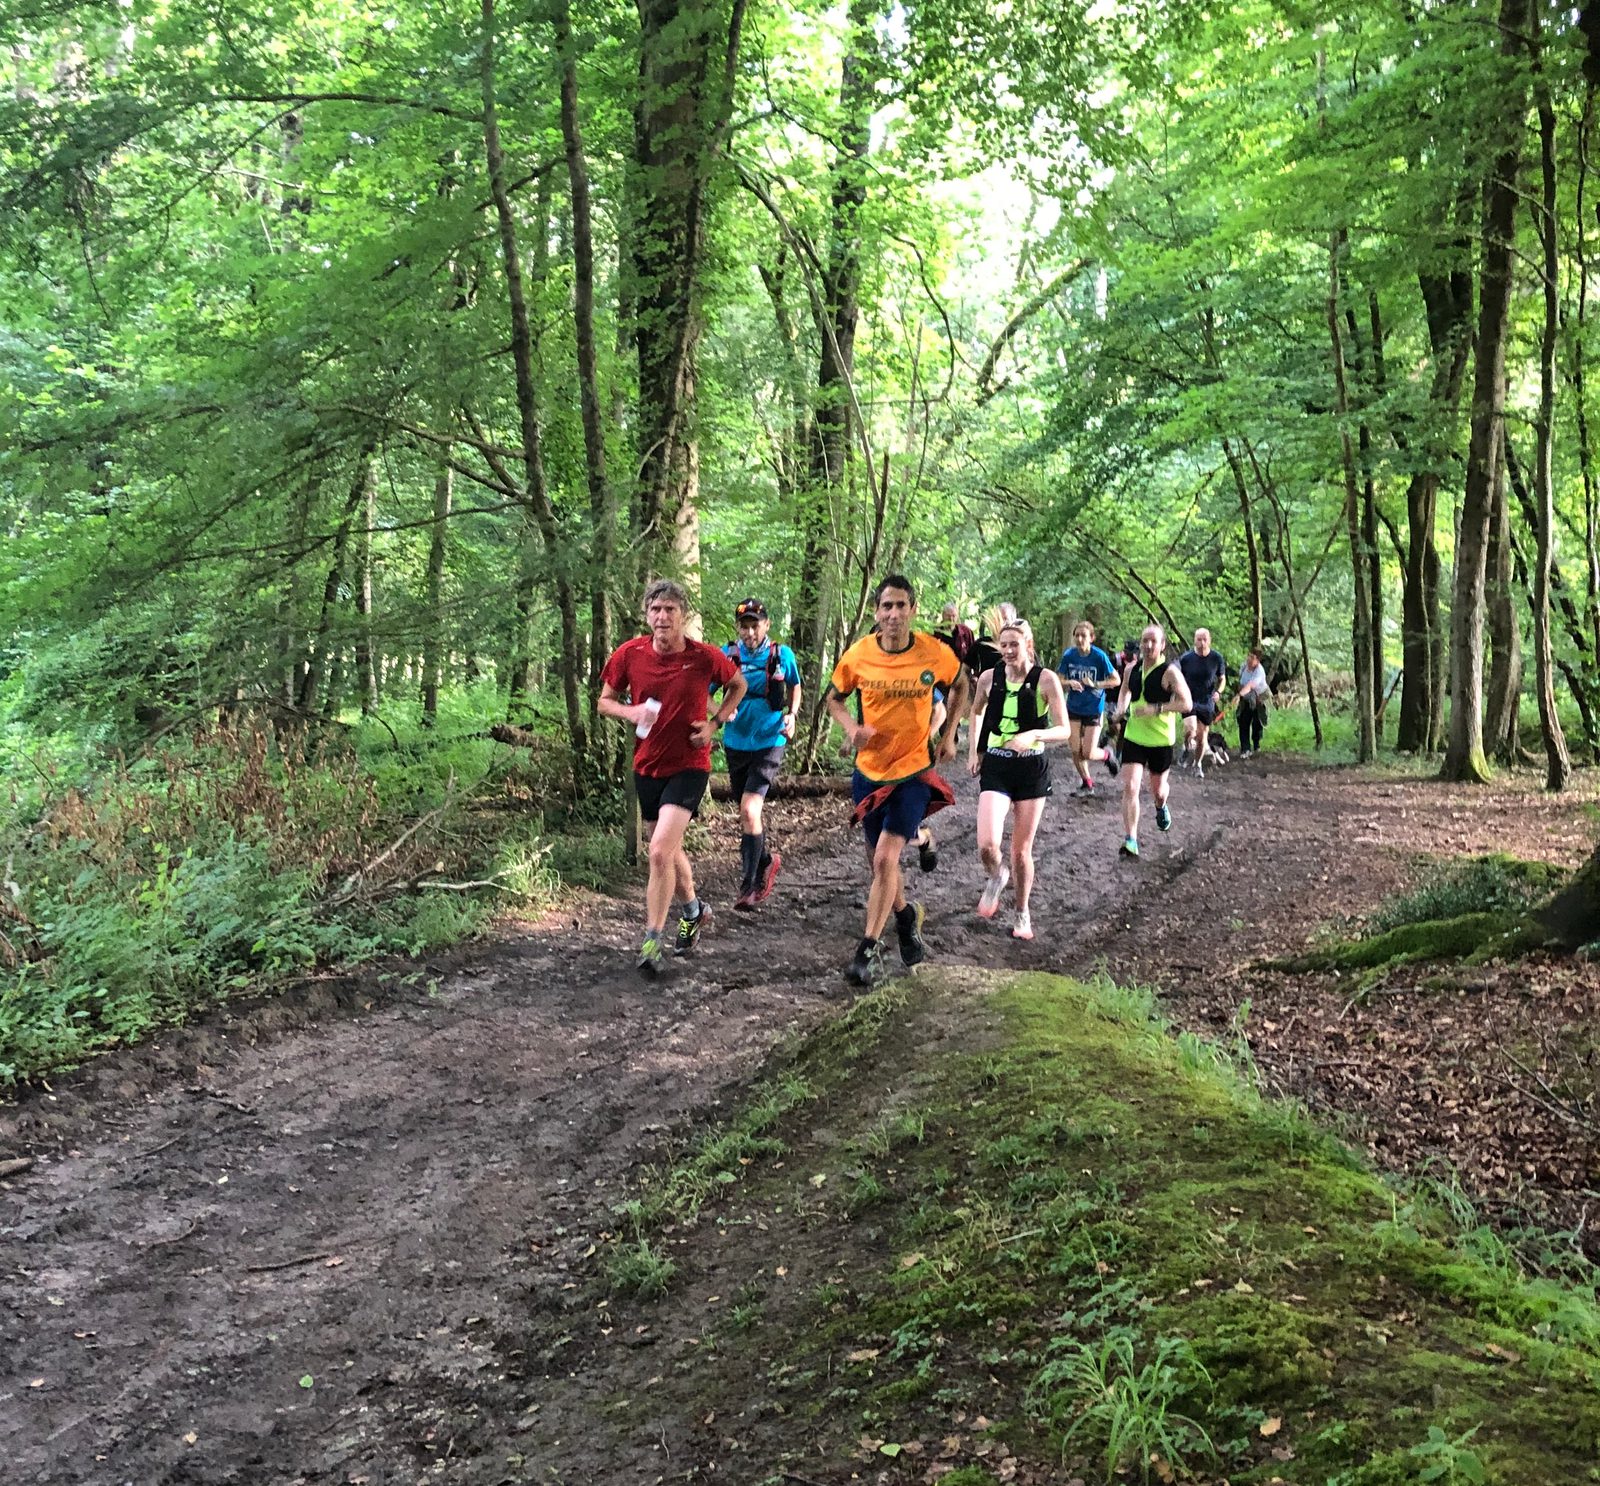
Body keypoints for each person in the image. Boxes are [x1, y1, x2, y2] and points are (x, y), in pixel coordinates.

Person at [599, 580, 747, 977]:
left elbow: (739, 684)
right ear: (647, 616)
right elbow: (604, 701)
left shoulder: (704, 657)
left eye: (669, 610)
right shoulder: (630, 654)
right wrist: (630, 713)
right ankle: (695, 911)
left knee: (660, 851)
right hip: (648, 765)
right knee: (668, 849)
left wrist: (715, 723)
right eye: (655, 610)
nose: (662, 617)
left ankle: (652, 939)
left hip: (690, 765)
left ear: (683, 616)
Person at [827, 574, 970, 985]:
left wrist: (948, 734)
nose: (893, 614)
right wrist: (851, 729)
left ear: (912, 610)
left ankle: (867, 950)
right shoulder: (859, 655)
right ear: (876, 611)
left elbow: (961, 684)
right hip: (869, 773)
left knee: (886, 859)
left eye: (900, 606)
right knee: (879, 865)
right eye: (886, 606)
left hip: (913, 771)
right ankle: (906, 916)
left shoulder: (932, 652)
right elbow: (834, 698)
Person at [967, 619, 1071, 940]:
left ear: (1028, 644)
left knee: (1021, 851)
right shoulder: (989, 677)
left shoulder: (1046, 680)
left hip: (1031, 767)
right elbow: (976, 712)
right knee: (987, 844)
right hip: (997, 765)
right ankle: (997, 877)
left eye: (1015, 644)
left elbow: (1064, 730)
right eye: (1004, 645)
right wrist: (974, 750)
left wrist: (1034, 735)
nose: (1009, 651)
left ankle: (1022, 912)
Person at [720, 596, 803, 910]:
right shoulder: (727, 656)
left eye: (755, 625)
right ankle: (767, 860)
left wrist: (792, 715)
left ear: (766, 624)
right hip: (736, 742)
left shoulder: (781, 655)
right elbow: (706, 693)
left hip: (770, 739)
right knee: (746, 813)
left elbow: (795, 686)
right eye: (745, 626)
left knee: (750, 809)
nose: (750, 632)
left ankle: (749, 886)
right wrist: (719, 712)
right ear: (738, 628)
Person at [1111, 624, 1192, 859]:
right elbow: (1124, 692)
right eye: (1144, 641)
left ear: (1162, 645)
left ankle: (1161, 806)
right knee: (1131, 786)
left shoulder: (1170, 672)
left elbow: (1186, 704)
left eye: (1153, 641)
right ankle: (1131, 840)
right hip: (1134, 737)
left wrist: (1155, 709)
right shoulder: (1131, 670)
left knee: (1158, 791)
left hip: (1160, 740)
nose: (1147, 646)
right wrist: (1120, 711)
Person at [1057, 619, 1121, 793]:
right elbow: (1059, 678)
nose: (1079, 639)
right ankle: (1087, 783)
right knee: (1075, 750)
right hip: (1074, 707)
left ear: (1091, 638)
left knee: (1088, 752)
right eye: (1077, 635)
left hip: (1094, 708)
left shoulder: (1099, 656)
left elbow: (1116, 680)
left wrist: (1096, 684)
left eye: (1083, 636)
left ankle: (1107, 755)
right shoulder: (1069, 655)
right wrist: (1070, 682)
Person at [1178, 628, 1227, 778]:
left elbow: (1222, 678)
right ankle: (1186, 746)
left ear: (1209, 640)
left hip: (1207, 701)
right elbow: (1177, 678)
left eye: (1205, 639)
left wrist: (1218, 692)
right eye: (1199, 639)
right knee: (1191, 730)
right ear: (1194, 640)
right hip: (1189, 700)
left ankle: (1197, 764)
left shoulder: (1216, 658)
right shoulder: (1186, 659)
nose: (1202, 642)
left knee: (1202, 737)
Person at [1236, 648, 1270, 756]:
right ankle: (1245, 748)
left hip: (1259, 696)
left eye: (1252, 657)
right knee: (1243, 721)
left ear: (1258, 660)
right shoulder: (1243, 667)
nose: (1249, 659)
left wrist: (1240, 694)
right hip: (1246, 696)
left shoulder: (1259, 671)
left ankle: (1256, 744)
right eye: (1249, 656)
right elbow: (1241, 682)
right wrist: (1240, 695)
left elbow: (1251, 685)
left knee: (1257, 722)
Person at [935, 602, 976, 671]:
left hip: (961, 674)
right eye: (948, 616)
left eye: (953, 616)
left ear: (957, 616)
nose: (951, 619)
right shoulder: (934, 633)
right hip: (940, 674)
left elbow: (973, 655)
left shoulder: (966, 632)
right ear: (943, 615)